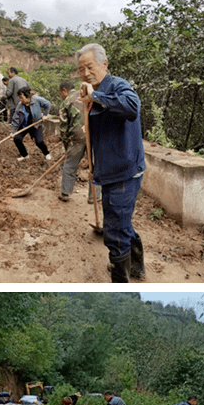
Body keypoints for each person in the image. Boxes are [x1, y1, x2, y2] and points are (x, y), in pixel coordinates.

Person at [76, 43, 146, 282]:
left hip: (123, 172)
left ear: (104, 64)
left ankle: (121, 279)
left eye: (90, 66)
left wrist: (95, 95)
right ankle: (136, 266)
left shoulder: (117, 86)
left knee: (114, 231)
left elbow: (132, 107)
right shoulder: (93, 93)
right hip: (109, 171)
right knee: (121, 222)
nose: (85, 73)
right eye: (80, 69)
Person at [58, 81, 101, 204]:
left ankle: (65, 193)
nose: (61, 95)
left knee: (70, 165)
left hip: (77, 137)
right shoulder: (90, 95)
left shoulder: (67, 101)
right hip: (95, 135)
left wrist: (66, 145)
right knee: (95, 165)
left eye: (60, 93)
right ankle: (94, 196)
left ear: (64, 90)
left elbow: (63, 128)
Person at [10, 86, 52, 162]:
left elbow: (48, 104)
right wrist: (13, 131)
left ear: (27, 96)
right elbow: (15, 118)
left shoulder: (37, 100)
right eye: (19, 98)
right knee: (17, 139)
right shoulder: (20, 105)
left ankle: (46, 153)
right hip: (24, 125)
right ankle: (25, 155)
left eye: (22, 97)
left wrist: (45, 115)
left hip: (36, 124)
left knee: (39, 142)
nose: (20, 100)